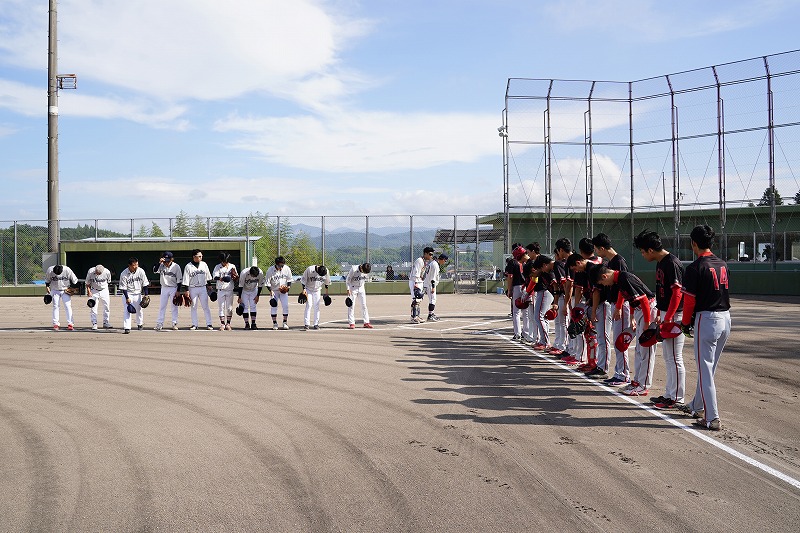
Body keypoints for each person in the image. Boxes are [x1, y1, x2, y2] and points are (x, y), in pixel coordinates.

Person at [678, 225, 731, 431]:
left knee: (705, 369)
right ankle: (697, 405)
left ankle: (712, 417)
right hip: (726, 318)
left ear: (693, 243)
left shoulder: (695, 267)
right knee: (709, 367)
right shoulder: (722, 263)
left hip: (707, 319)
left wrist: (685, 323)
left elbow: (689, 301)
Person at [635, 230, 686, 410]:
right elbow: (663, 291)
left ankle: (676, 398)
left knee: (674, 357)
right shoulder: (661, 262)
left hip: (675, 315)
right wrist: (659, 312)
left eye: (643, 251)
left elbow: (678, 293)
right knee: (669, 357)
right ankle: (670, 394)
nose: (643, 255)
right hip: (666, 312)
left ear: (650, 249)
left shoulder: (671, 263)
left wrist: (669, 317)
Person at [592, 265, 657, 396]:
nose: (605, 285)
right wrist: (631, 316)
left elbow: (644, 299)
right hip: (640, 311)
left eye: (603, 282)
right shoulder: (619, 279)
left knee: (646, 351)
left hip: (647, 310)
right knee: (639, 350)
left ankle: (644, 386)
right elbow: (631, 298)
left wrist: (646, 322)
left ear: (605, 276)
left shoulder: (624, 278)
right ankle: (637, 382)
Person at [593, 233, 631, 387]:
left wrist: (619, 306)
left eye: (596, 249)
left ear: (602, 248)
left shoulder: (619, 261)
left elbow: (623, 285)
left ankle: (623, 375)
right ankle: (619, 373)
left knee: (620, 341)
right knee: (617, 341)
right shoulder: (611, 261)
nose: (596, 252)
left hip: (621, 305)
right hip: (615, 304)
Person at [528, 254, 556, 351]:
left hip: (545, 292)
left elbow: (556, 286)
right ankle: (543, 341)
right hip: (547, 293)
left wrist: (556, 301)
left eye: (538, 269)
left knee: (539, 316)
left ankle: (545, 342)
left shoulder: (550, 271)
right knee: (541, 317)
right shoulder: (544, 271)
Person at [550, 239, 572, 357]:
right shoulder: (567, 262)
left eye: (557, 253)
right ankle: (561, 345)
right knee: (561, 322)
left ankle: (563, 346)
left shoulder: (559, 264)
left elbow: (566, 284)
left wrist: (566, 302)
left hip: (569, 296)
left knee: (564, 322)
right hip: (569, 295)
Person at [182, 249, 213, 330]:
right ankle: (194, 324)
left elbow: (207, 276)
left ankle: (209, 324)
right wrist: (186, 290)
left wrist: (209, 285)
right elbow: (186, 279)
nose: (200, 257)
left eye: (201, 256)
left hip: (203, 287)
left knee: (205, 306)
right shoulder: (188, 266)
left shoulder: (204, 264)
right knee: (193, 306)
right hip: (193, 288)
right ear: (194, 257)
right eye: (199, 256)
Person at [119, 257, 150, 334]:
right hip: (128, 293)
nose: (136, 266)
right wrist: (127, 298)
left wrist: (146, 295)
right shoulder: (124, 274)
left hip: (138, 293)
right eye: (134, 265)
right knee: (127, 310)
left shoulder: (141, 271)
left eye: (137, 264)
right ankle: (127, 327)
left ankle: (140, 324)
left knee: (139, 309)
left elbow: (145, 284)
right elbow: (124, 288)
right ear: (129, 265)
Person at [505, 245, 530, 341]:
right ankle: (526, 333)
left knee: (516, 312)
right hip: (526, 287)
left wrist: (509, 289)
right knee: (525, 312)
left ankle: (517, 334)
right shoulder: (527, 262)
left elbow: (510, 276)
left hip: (517, 287)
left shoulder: (513, 262)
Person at [153, 251, 182, 331]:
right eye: (165, 261)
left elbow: (179, 280)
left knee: (174, 306)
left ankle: (174, 323)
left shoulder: (176, 266)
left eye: (168, 261)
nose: (166, 263)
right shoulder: (161, 265)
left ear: (172, 259)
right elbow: (155, 270)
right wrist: (159, 263)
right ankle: (159, 323)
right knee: (162, 306)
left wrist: (178, 291)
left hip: (173, 287)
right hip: (164, 288)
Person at [44, 263, 79, 331]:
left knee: (67, 306)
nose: (57, 275)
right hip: (54, 290)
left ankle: (70, 324)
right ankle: (56, 323)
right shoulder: (50, 270)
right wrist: (47, 287)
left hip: (65, 290)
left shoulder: (67, 270)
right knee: (55, 306)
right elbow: (47, 280)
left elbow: (75, 280)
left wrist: (72, 288)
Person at [213, 252, 239, 331]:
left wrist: (235, 277)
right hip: (221, 289)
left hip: (230, 289)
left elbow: (236, 277)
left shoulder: (232, 266)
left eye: (226, 261)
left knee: (229, 308)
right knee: (221, 307)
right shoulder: (217, 266)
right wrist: (222, 278)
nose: (225, 263)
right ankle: (222, 324)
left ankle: (228, 323)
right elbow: (214, 277)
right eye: (224, 261)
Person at [265, 256, 292, 330]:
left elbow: (289, 280)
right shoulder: (270, 270)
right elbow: (267, 283)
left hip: (283, 290)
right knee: (274, 306)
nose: (281, 267)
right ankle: (274, 323)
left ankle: (285, 322)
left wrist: (288, 288)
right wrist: (270, 291)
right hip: (274, 291)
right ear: (276, 264)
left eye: (283, 265)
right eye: (280, 265)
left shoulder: (286, 268)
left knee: (285, 306)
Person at [301, 264, 331, 330]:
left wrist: (326, 294)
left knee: (316, 306)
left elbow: (327, 283)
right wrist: (304, 290)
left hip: (317, 290)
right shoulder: (310, 269)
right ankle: (306, 324)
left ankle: (316, 324)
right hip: (308, 289)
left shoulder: (326, 271)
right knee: (309, 305)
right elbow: (303, 280)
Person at [409, 247, 434, 323]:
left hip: (420, 281)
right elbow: (415, 274)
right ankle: (414, 317)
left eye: (432, 254)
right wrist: (416, 284)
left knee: (419, 299)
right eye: (430, 254)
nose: (431, 256)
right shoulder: (419, 261)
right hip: (415, 281)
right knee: (416, 299)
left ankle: (416, 316)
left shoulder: (424, 261)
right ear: (425, 253)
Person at [346, 262, 373, 328]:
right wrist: (348, 289)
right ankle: (352, 323)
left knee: (364, 305)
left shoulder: (366, 270)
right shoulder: (354, 269)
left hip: (361, 287)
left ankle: (366, 322)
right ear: (361, 268)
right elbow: (348, 279)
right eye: (364, 272)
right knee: (351, 305)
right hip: (353, 288)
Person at [238, 265, 265, 330]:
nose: (254, 277)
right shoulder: (244, 273)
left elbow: (260, 285)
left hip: (253, 290)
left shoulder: (260, 273)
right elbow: (240, 286)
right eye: (253, 275)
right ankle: (247, 324)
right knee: (245, 307)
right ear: (250, 273)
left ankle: (253, 323)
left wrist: (258, 296)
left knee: (253, 306)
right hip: (244, 290)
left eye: (255, 275)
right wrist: (239, 297)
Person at [86, 264, 112, 330]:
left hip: (104, 290)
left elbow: (109, 281)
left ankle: (106, 322)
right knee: (93, 307)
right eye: (96, 272)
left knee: (106, 306)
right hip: (94, 290)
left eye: (99, 273)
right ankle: (94, 323)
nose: (97, 274)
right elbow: (87, 283)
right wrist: (89, 291)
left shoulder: (107, 272)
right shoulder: (91, 271)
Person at [423, 254, 448, 322]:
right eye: (445, 261)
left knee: (433, 299)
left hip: (429, 283)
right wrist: (433, 287)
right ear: (442, 259)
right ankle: (430, 316)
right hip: (430, 284)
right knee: (432, 300)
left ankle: (432, 314)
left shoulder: (434, 263)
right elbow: (433, 278)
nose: (444, 262)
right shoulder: (435, 265)